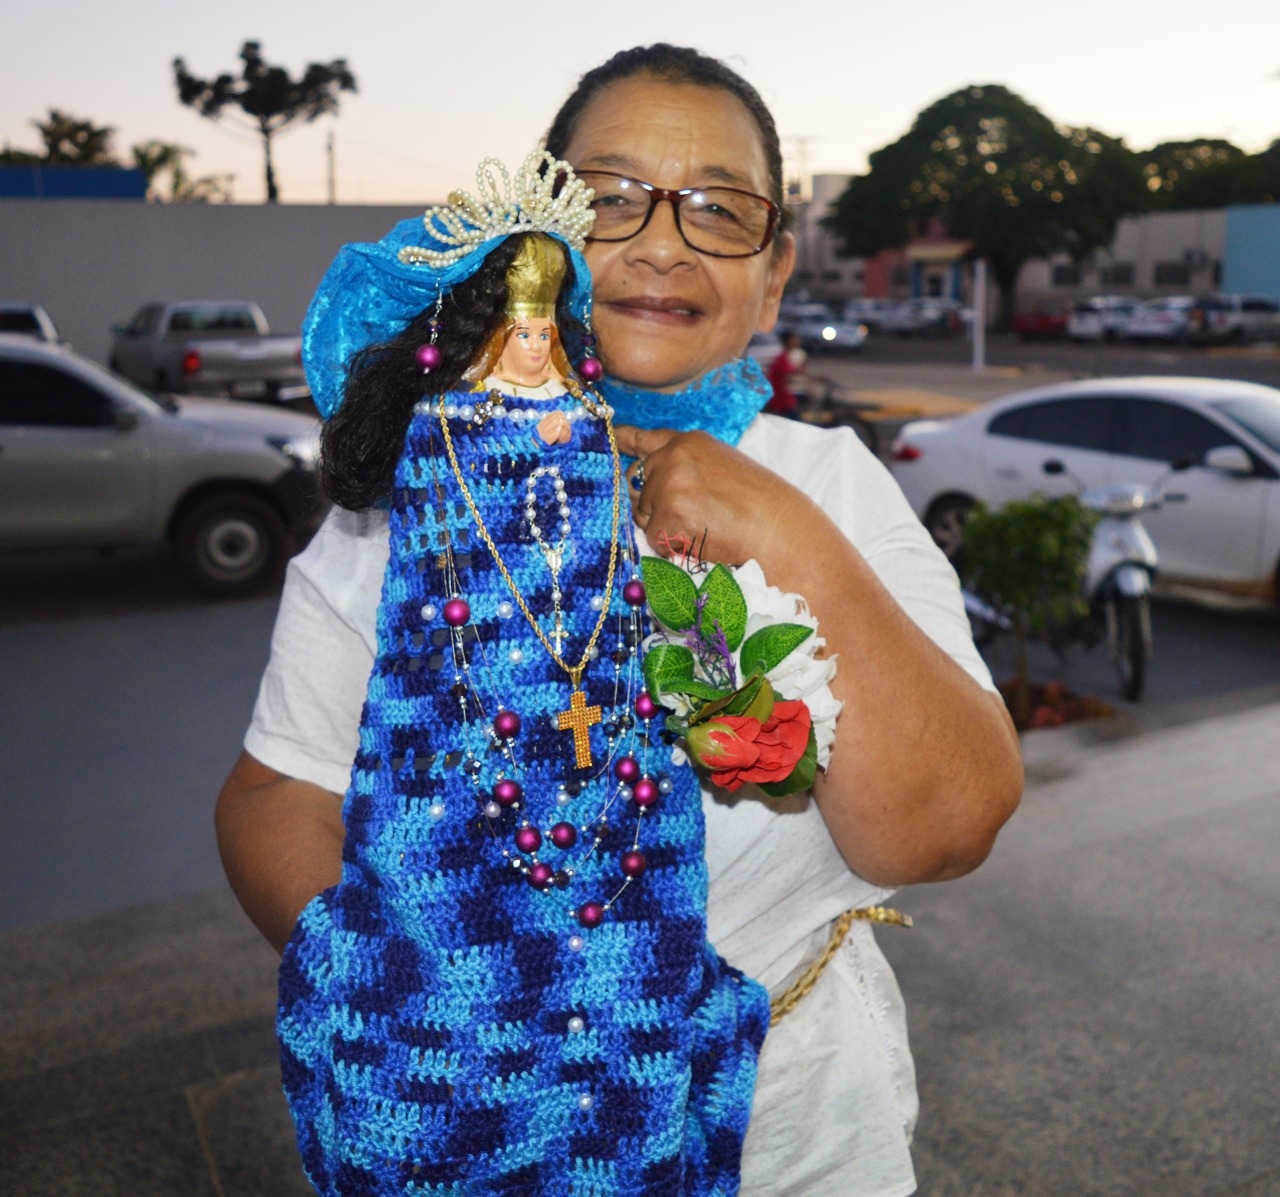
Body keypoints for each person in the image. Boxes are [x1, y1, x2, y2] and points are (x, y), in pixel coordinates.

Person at [217, 43, 1023, 1197]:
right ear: (530, 238)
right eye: (607, 198)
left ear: (776, 274)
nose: (659, 241)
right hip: (472, 1121)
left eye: (718, 207)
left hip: (797, 1123)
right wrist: (413, 999)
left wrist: (789, 538)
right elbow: (273, 792)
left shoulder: (831, 482)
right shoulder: (410, 496)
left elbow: (936, 833)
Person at [764, 331, 807, 417]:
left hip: (784, 395)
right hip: (782, 396)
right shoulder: (782, 357)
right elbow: (786, 375)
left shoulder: (788, 355)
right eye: (794, 339)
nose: (796, 341)